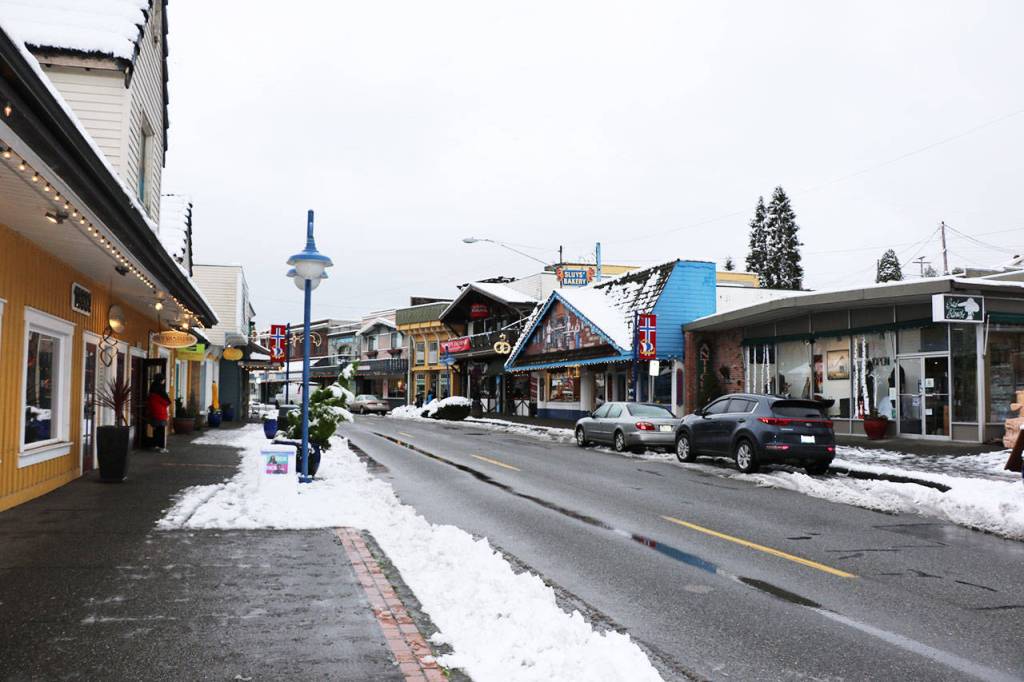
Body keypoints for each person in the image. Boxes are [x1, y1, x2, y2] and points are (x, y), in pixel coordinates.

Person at [147, 376, 171, 453]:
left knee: (156, 430)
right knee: (161, 431)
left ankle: (155, 445)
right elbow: (167, 402)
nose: (164, 382)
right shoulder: (160, 390)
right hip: (160, 413)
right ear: (161, 381)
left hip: (153, 412)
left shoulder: (152, 388)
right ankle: (161, 447)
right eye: (163, 380)